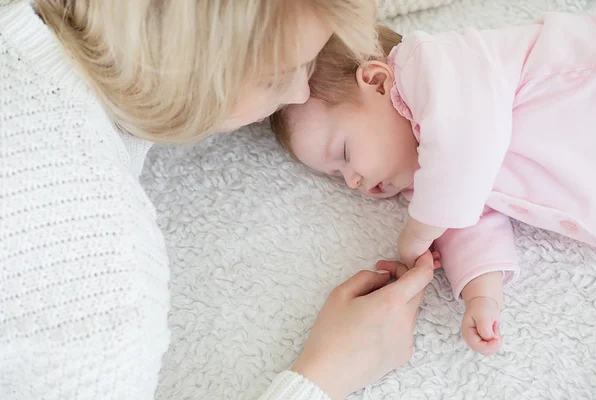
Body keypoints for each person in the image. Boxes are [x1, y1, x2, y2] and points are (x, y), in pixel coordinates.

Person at [0, 1, 438, 399]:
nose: (299, 94)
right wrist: (327, 375)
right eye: (279, 75)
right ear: (187, 68)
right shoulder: (91, 263)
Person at [271, 14, 596, 356]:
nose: (352, 181)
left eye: (344, 153)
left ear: (378, 82)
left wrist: (418, 232)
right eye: (337, 176)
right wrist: (481, 295)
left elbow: (464, 149)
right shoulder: (429, 181)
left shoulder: (433, 66)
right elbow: (468, 222)